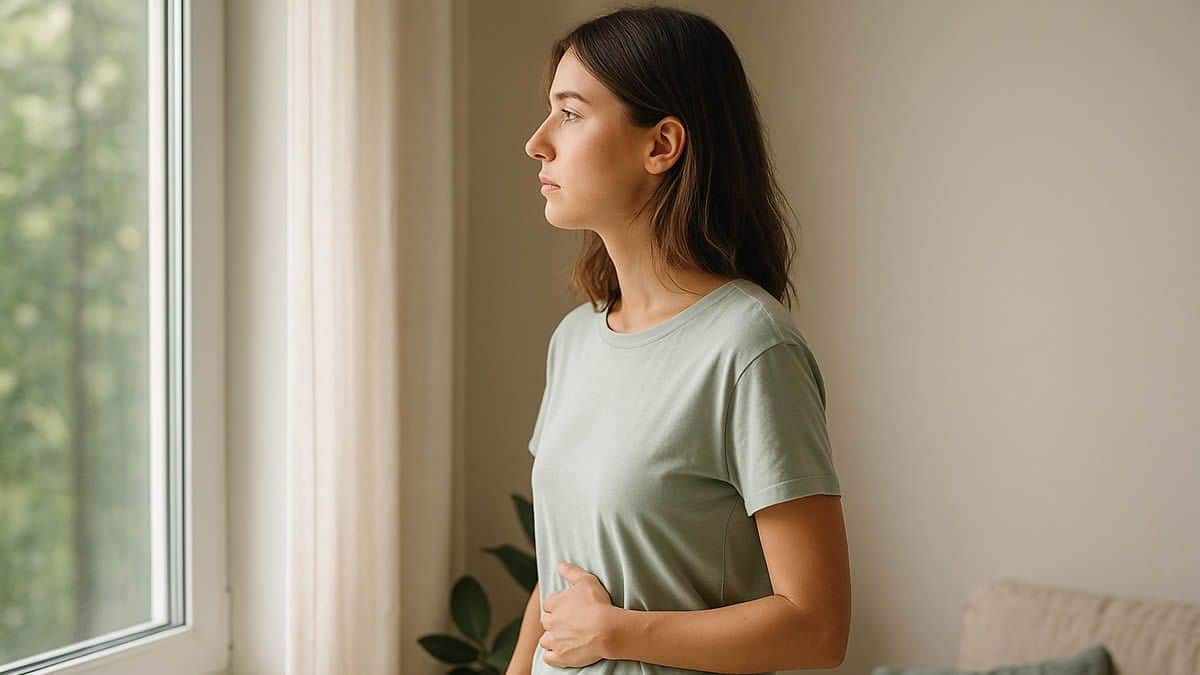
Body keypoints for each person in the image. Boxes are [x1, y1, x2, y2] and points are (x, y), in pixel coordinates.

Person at [514, 6, 850, 674]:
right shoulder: (574, 340)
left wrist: (616, 632)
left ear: (662, 145)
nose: (538, 142)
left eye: (571, 113)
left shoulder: (751, 349)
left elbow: (817, 626)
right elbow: (561, 576)